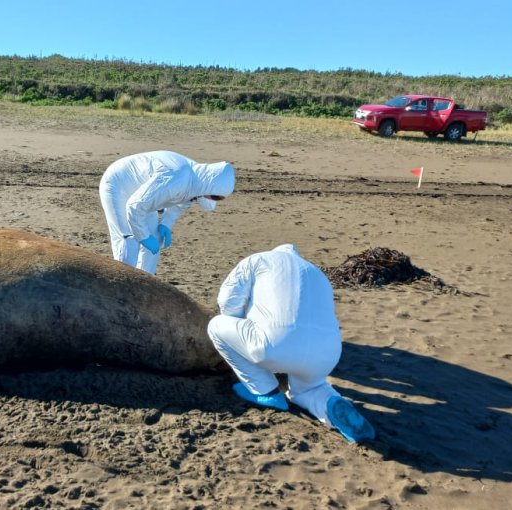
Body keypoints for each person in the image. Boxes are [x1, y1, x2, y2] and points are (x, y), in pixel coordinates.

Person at [206, 244, 375, 443]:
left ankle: (265, 390)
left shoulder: (258, 259)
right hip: (327, 355)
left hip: (274, 345)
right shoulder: (317, 273)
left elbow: (228, 302)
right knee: (311, 388)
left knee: (216, 326)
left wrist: (241, 332)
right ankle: (330, 402)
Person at [98, 150, 235, 275]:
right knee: (129, 242)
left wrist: (166, 224)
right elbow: (135, 206)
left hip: (143, 194)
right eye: (216, 197)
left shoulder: (196, 182)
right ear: (210, 186)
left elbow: (182, 202)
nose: (215, 200)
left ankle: (146, 282)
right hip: (118, 185)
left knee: (156, 237)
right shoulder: (176, 178)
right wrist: (143, 236)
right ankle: (121, 284)